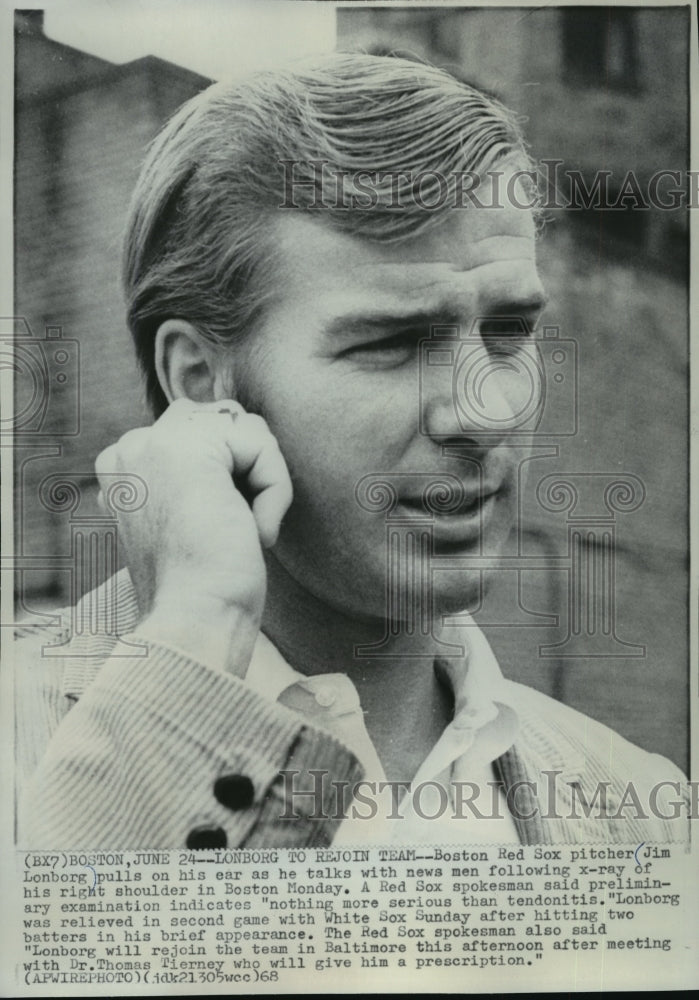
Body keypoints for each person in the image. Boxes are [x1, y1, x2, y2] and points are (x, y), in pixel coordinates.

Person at [15, 53, 688, 849]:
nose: (487, 411)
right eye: (391, 342)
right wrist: (197, 635)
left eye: (508, 331)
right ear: (198, 381)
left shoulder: (647, 812)